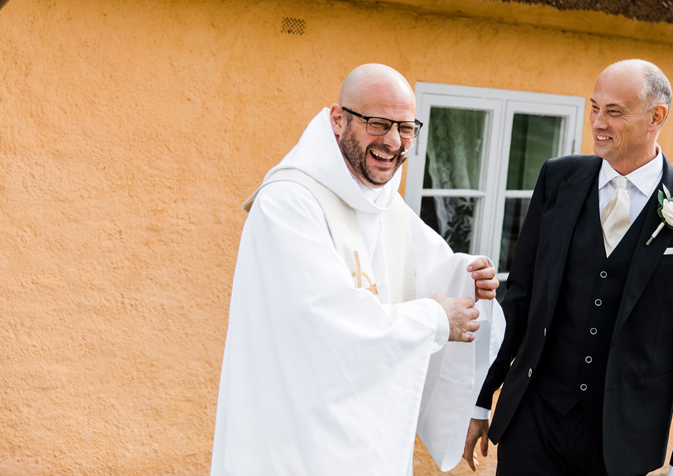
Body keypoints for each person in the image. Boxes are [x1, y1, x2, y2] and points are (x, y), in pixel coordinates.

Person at [211, 64, 505, 476]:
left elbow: (430, 274)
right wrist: (437, 318)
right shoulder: (288, 204)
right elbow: (325, 319)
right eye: (378, 123)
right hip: (295, 440)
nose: (392, 141)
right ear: (337, 119)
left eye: (405, 128)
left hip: (372, 445)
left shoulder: (387, 205)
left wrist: (470, 278)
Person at [464, 59, 673, 476]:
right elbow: (519, 298)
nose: (598, 123)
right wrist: (479, 399)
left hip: (624, 438)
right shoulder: (558, 178)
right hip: (534, 420)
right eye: (594, 108)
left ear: (655, 118)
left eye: (614, 111)